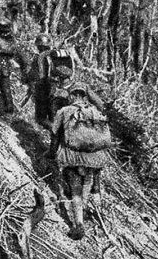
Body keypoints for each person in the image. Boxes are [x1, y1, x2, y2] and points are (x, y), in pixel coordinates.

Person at [47, 83, 111, 240]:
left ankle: (78, 224)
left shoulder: (64, 111)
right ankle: (95, 202)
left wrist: (52, 153)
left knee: (75, 188)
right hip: (95, 159)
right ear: (85, 96)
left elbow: (55, 135)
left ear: (72, 96)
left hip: (73, 157)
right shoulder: (95, 112)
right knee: (87, 184)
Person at [35, 43, 82, 128]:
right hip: (63, 88)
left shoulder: (44, 56)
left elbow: (42, 75)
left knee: (43, 116)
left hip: (53, 88)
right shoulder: (65, 56)